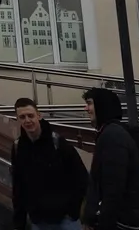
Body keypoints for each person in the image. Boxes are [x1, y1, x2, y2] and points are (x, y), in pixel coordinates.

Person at [10, 97, 87, 230]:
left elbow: (81, 177)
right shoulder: (18, 148)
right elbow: (18, 187)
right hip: (39, 220)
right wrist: (19, 222)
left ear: (39, 115)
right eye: (22, 117)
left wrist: (73, 211)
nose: (27, 120)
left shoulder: (58, 143)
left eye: (30, 115)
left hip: (65, 219)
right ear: (18, 119)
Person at [83, 88, 139, 230]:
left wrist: (101, 221)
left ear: (102, 105)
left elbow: (113, 186)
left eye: (89, 103)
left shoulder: (112, 136)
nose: (86, 108)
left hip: (117, 222)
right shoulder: (111, 133)